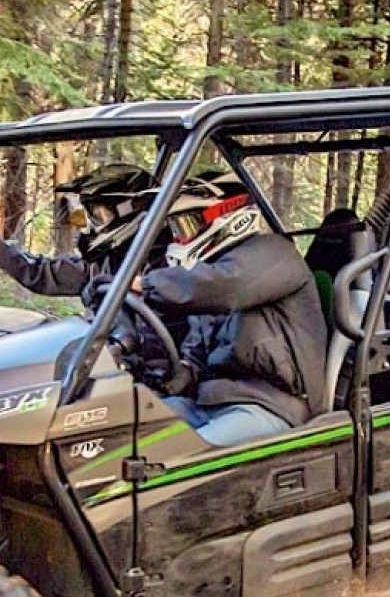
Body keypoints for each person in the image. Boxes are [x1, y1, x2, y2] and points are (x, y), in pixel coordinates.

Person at [125, 180, 329, 447]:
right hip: (209, 401)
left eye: (189, 225)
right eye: (177, 228)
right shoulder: (214, 275)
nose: (181, 238)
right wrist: (177, 375)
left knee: (172, 463)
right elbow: (197, 353)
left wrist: (145, 284)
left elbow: (228, 285)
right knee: (122, 435)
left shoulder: (275, 253)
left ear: (230, 216)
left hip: (268, 405)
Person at [0, 163, 157, 296]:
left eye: (99, 213)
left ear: (131, 211)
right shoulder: (100, 266)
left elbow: (185, 289)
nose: (92, 224)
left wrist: (143, 285)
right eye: (89, 213)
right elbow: (39, 273)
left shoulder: (168, 260)